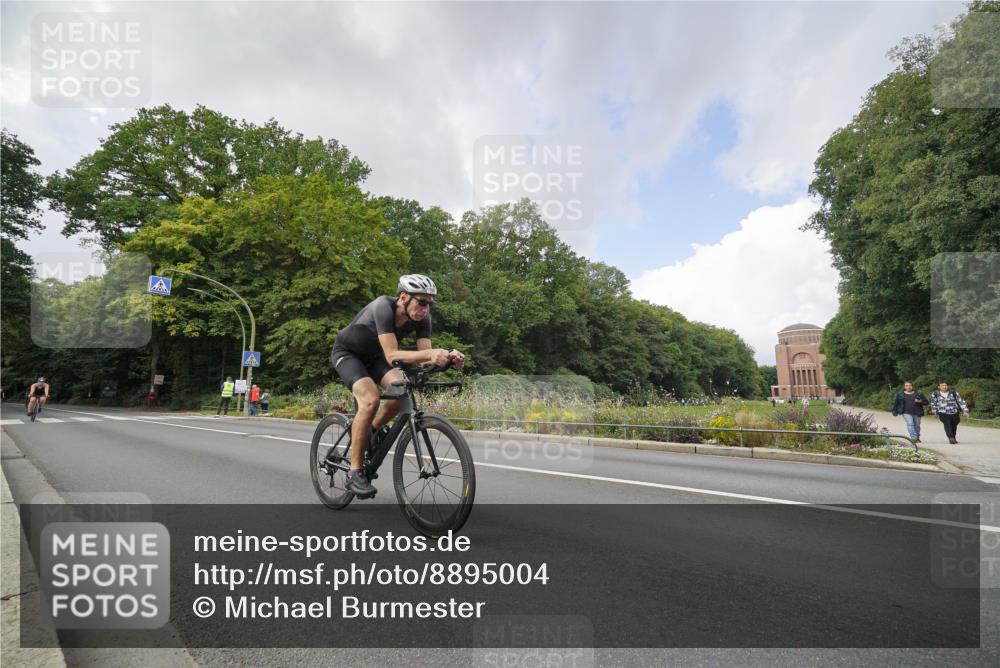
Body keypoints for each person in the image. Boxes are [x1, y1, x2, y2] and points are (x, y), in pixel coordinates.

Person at [330, 274, 464, 498]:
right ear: (403, 297)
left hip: (377, 358)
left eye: (429, 304)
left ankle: (370, 431)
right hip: (349, 354)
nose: (425, 308)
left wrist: (449, 356)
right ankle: (354, 471)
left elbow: (424, 359)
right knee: (371, 399)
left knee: (401, 389)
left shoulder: (423, 319)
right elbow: (393, 355)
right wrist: (431, 353)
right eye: (421, 302)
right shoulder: (383, 307)